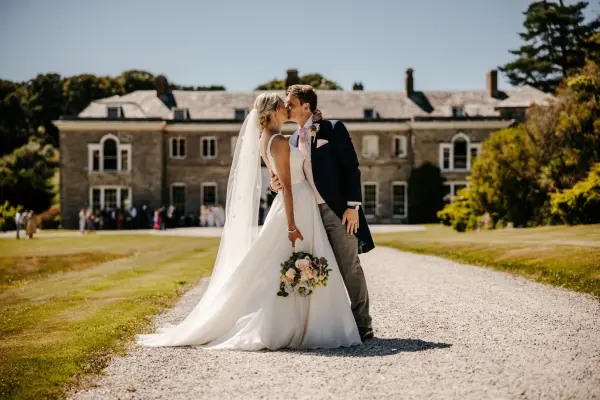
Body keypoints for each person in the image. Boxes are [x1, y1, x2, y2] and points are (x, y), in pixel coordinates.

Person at [137, 93, 361, 350]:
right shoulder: (277, 140)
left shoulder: (269, 138)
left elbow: (285, 169)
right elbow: (286, 186)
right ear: (273, 111)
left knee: (286, 263)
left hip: (298, 204)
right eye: (283, 105)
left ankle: (302, 321)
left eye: (289, 104)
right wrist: (291, 224)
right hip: (296, 207)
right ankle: (299, 323)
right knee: (294, 259)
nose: (287, 108)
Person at [270, 85, 375, 340]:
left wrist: (352, 207)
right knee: (315, 267)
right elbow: (290, 176)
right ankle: (324, 324)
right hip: (309, 213)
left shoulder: (333, 129)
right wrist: (274, 185)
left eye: (291, 103)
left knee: (349, 266)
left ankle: (363, 323)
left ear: (307, 106)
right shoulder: (291, 140)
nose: (286, 107)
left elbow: (351, 168)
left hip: (338, 211)